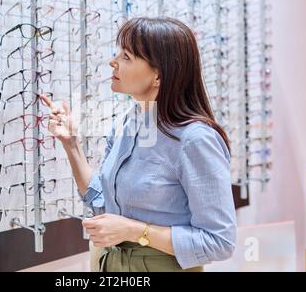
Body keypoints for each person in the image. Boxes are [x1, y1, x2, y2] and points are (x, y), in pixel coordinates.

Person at [40, 17, 237, 272]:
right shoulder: (126, 124)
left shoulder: (195, 140)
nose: (113, 62)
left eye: (127, 57)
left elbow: (219, 242)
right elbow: (103, 204)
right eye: (118, 53)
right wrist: (71, 144)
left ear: (158, 76)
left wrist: (135, 231)